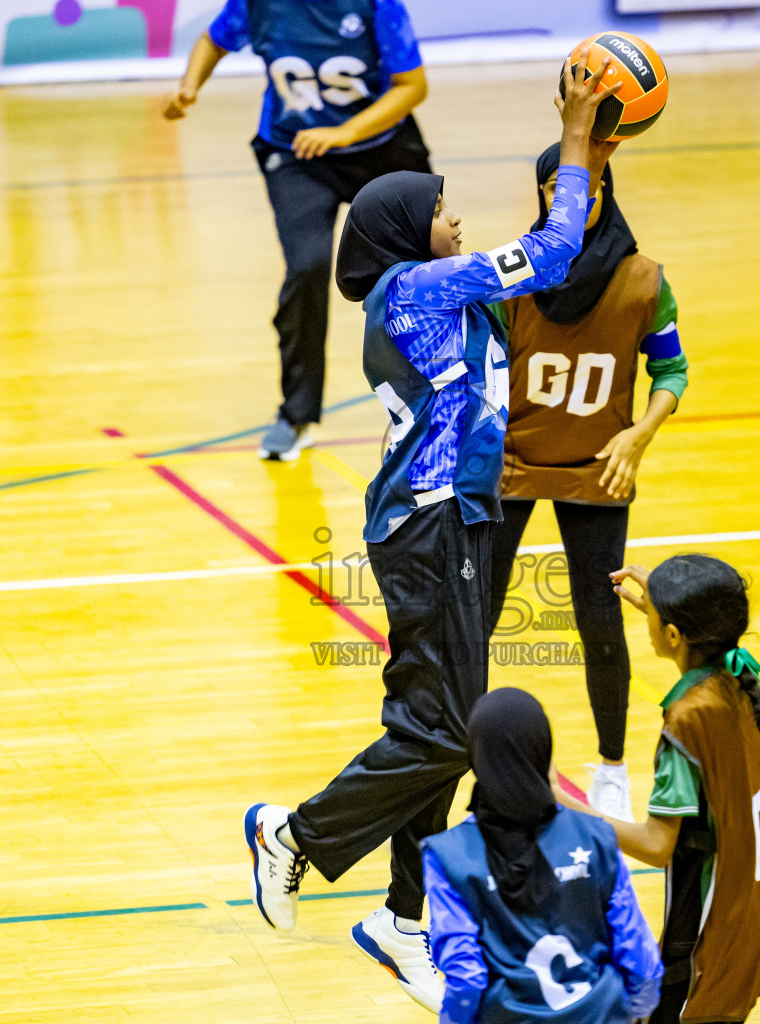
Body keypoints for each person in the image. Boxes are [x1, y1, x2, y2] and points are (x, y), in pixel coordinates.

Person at [241, 54, 618, 1012]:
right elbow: (551, 252)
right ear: (408, 230)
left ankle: (407, 921)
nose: (456, 219)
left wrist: (591, 159)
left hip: (456, 522)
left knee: (433, 727)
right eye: (444, 207)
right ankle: (295, 834)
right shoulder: (414, 288)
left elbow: (560, 252)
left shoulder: (434, 296)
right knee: (449, 734)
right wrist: (572, 139)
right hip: (430, 526)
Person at [487, 143, 689, 824]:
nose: (573, 199)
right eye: (557, 188)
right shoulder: (512, 272)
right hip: (511, 461)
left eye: (586, 187)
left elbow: (673, 373)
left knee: (601, 622)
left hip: (598, 463)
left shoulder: (643, 279)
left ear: (604, 190)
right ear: (545, 195)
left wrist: (640, 433)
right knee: (476, 615)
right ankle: (465, 761)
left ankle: (610, 769)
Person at [162, 0, 432, 461]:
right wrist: (189, 86)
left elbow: (412, 87)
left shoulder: (375, 5)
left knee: (425, 273)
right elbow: (212, 40)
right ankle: (296, 415)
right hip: (296, 154)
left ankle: (448, 399)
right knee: (306, 269)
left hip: (382, 148)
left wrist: (344, 132)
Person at [553, 554, 760, 1023]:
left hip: (708, 938)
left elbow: (656, 845)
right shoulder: (740, 678)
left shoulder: (687, 720)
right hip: (756, 916)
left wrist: (565, 807)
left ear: (673, 635)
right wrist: (670, 599)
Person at [422, 687, 664, 1024]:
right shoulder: (597, 836)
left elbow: (466, 979)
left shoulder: (448, 855)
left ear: (475, 755)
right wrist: (632, 1014)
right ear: (543, 750)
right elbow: (642, 961)